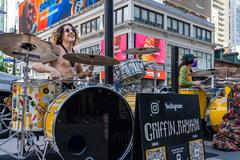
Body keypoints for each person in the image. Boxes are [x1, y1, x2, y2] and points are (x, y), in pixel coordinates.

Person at [32, 23, 93, 90]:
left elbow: (79, 74)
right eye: (67, 30)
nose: (71, 32)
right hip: (56, 88)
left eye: (73, 30)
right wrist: (52, 70)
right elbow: (35, 64)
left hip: (71, 88)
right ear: (61, 36)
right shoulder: (55, 50)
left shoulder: (76, 54)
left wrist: (86, 72)